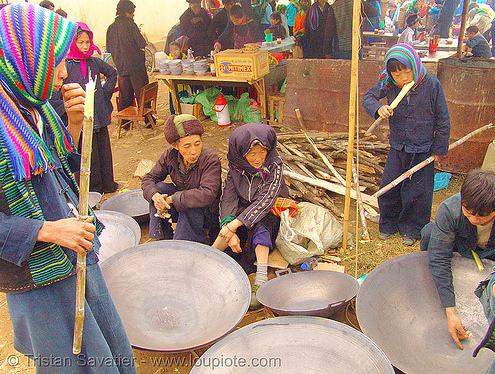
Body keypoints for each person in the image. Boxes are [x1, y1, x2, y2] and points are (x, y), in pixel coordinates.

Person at [0, 3, 136, 373]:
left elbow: (63, 177)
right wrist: (46, 229)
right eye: (55, 61)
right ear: (23, 58)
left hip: (76, 259)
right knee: (69, 363)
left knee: (105, 353)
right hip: (39, 279)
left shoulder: (33, 111)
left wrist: (75, 126)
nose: (63, 72)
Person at [362, 43, 450, 246]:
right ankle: (388, 224)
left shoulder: (431, 83)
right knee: (389, 186)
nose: (403, 78)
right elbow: (368, 98)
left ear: (415, 65)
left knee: (418, 191)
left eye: (406, 72)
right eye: (396, 74)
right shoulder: (388, 83)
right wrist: (379, 108)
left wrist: (439, 149)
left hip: (423, 148)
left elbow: (442, 118)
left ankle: (412, 228)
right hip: (398, 146)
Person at [420, 169, 495, 353]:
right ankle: (430, 290)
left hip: (494, 251)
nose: (473, 220)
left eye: (482, 217)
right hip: (463, 246)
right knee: (429, 234)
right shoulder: (450, 209)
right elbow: (440, 257)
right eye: (468, 213)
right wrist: (450, 310)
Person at [212, 123, 290, 309]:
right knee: (227, 224)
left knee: (262, 226)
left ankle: (261, 278)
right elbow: (228, 198)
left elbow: (265, 201)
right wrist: (228, 227)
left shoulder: (274, 166)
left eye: (262, 151)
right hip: (243, 209)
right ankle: (210, 256)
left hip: (270, 210)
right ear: (241, 154)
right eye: (252, 154)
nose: (258, 158)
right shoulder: (235, 167)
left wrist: (234, 226)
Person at [50, 22, 119, 194]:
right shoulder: (66, 65)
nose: (85, 46)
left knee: (103, 151)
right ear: (73, 43)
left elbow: (112, 73)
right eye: (80, 42)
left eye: (87, 42)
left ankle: (108, 184)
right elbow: (57, 94)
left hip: (99, 114)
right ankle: (93, 190)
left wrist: (104, 94)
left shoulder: (94, 62)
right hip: (79, 118)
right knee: (88, 153)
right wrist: (67, 110)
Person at [141, 114, 221, 244]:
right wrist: (156, 197)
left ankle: (184, 245)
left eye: (197, 144)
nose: (194, 151)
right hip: (180, 204)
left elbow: (207, 194)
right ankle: (162, 238)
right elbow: (149, 179)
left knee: (189, 203)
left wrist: (172, 199)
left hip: (207, 212)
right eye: (187, 146)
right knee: (159, 189)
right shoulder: (170, 155)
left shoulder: (210, 159)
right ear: (175, 146)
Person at [106, 0, 149, 117]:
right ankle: (148, 120)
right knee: (142, 94)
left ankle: (125, 122)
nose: (133, 15)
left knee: (125, 95)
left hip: (121, 67)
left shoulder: (111, 28)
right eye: (132, 12)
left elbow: (109, 48)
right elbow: (141, 43)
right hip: (136, 67)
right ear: (127, 12)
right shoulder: (130, 25)